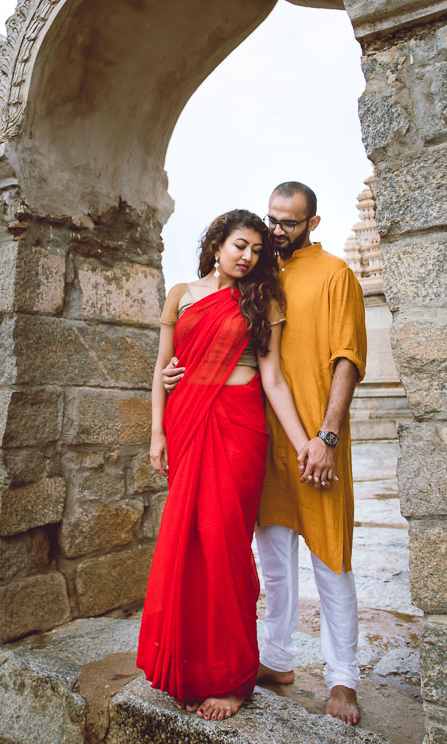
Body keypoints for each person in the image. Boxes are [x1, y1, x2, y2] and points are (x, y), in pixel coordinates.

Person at [162, 182, 368, 725]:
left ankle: (342, 677)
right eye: (271, 221)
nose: (275, 233)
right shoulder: (258, 279)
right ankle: (274, 659)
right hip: (252, 436)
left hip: (308, 441)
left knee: (329, 557)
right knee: (270, 561)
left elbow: (345, 358)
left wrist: (324, 436)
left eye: (289, 224)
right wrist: (170, 386)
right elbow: (182, 354)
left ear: (313, 224)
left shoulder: (332, 276)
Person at [136, 210, 318, 721]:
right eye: (240, 245)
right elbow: (162, 368)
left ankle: (232, 676)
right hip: (188, 423)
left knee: (224, 545)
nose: (248, 257)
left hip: (239, 430)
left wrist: (305, 441)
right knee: (186, 543)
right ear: (217, 243)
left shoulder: (263, 298)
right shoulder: (182, 294)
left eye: (258, 251)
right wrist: (157, 433)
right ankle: (190, 668)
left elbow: (274, 379)